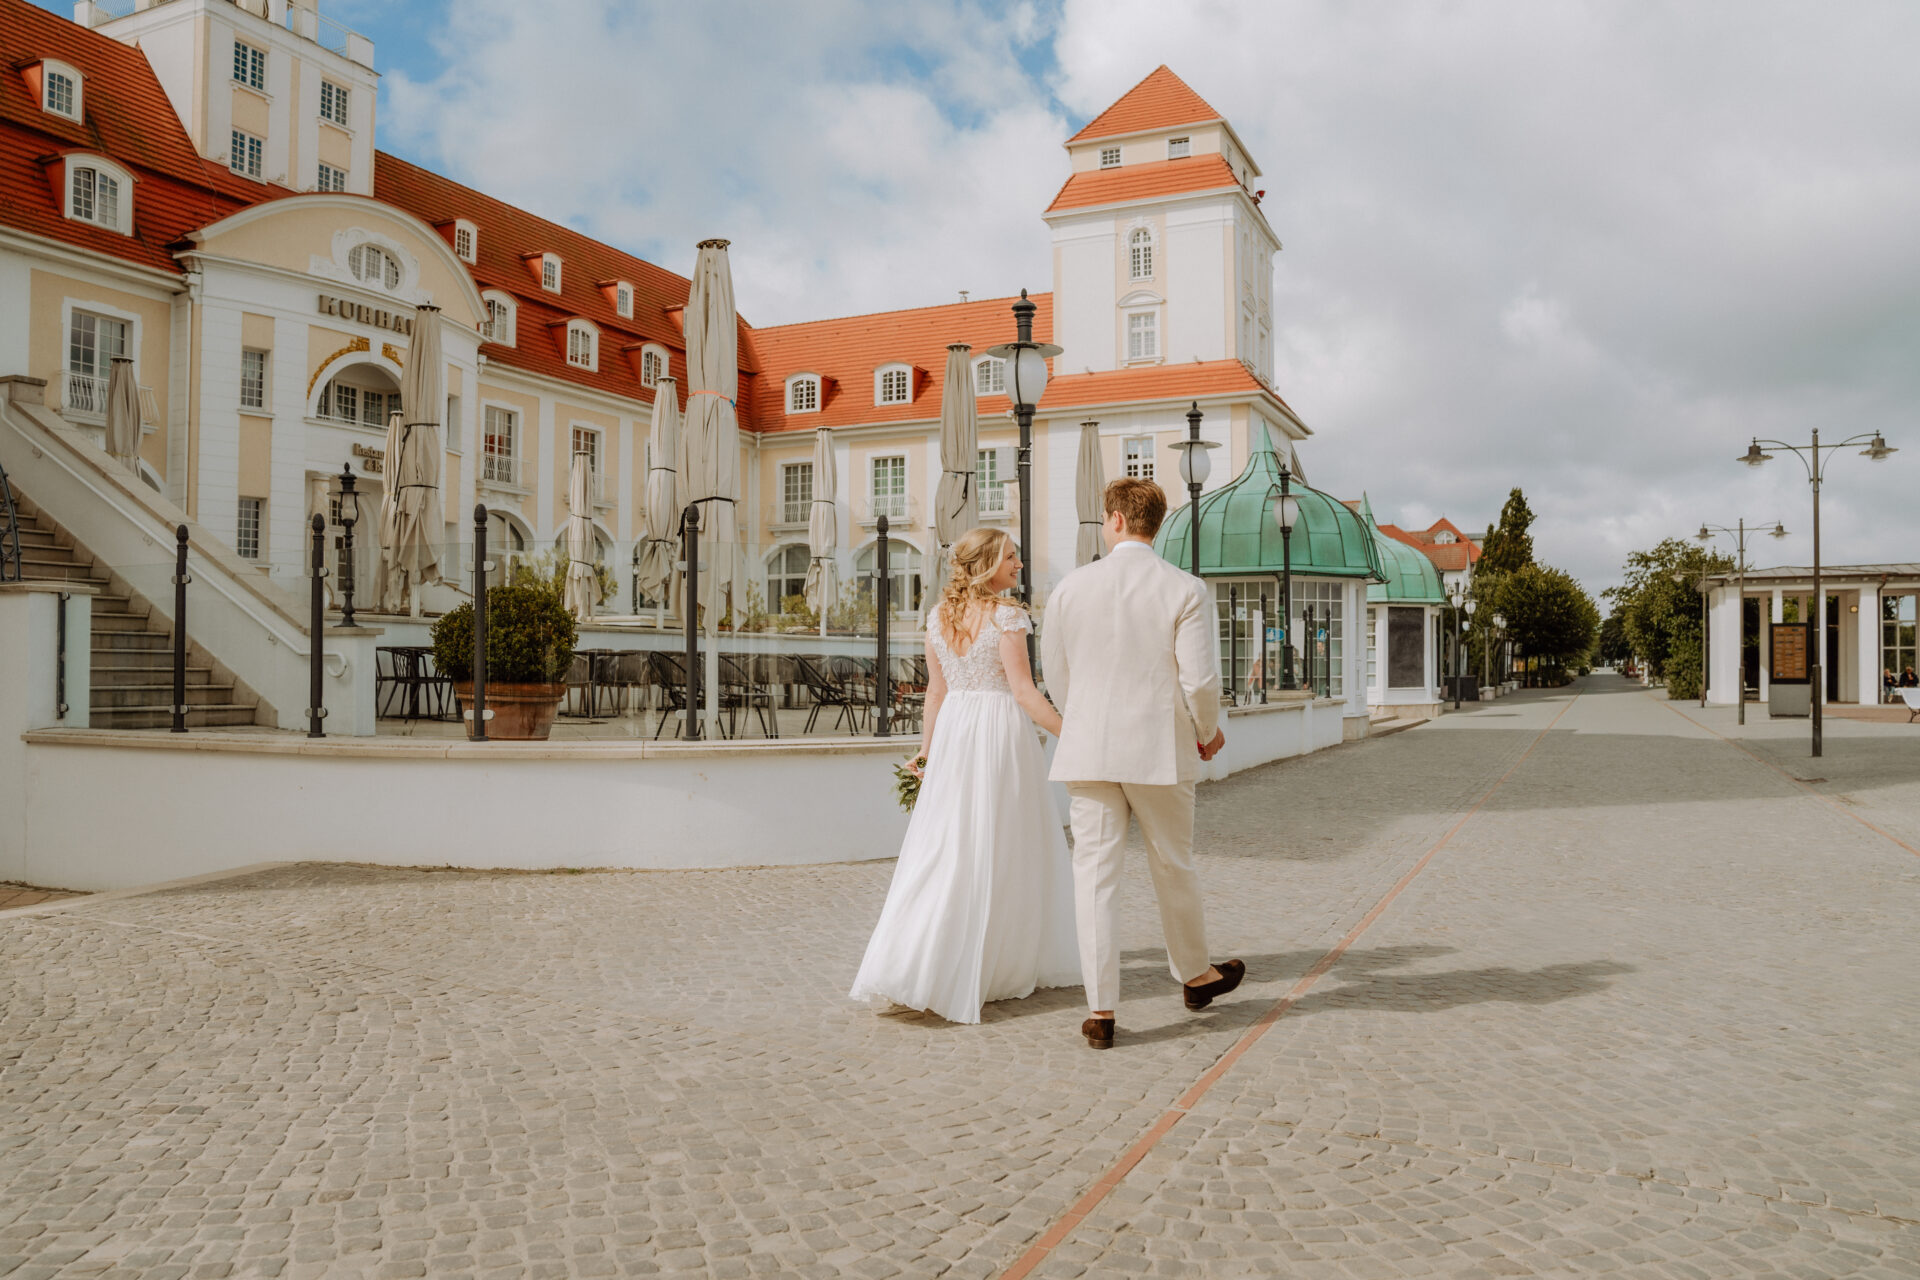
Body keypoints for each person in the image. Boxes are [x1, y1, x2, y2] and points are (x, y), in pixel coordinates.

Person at [1041, 478, 1245, 1051]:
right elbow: (1200, 680)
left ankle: (1101, 1011)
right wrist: (1207, 733)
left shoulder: (1070, 588)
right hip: (1159, 749)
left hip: (1090, 749)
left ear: (1114, 521)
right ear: (1157, 523)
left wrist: (1079, 718)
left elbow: (1054, 671)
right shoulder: (1184, 588)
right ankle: (1196, 976)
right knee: (1173, 865)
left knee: (1095, 879)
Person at [848, 527, 1080, 1024]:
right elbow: (1023, 692)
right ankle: (993, 958)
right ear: (987, 564)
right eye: (1012, 558)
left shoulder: (937, 617)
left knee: (949, 844)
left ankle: (923, 957)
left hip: (955, 735)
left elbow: (937, 693)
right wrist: (1073, 735)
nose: (1019, 565)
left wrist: (927, 753)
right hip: (997, 734)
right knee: (1002, 843)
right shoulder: (1009, 616)